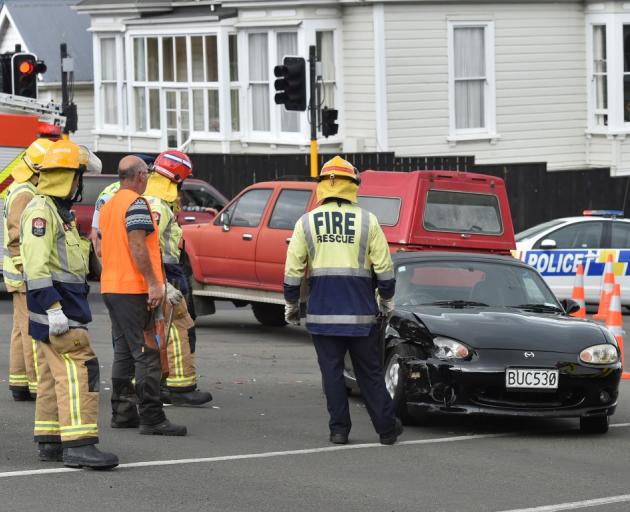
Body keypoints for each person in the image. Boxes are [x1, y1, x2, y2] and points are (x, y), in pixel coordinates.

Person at [283, 155, 402, 445]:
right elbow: (384, 269)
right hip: (361, 315)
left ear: (323, 186)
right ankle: (386, 430)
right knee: (370, 373)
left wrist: (291, 305)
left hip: (323, 316)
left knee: (332, 375)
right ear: (353, 186)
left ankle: (339, 430)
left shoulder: (307, 222)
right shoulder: (368, 221)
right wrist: (386, 300)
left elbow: (293, 269)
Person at [20, 139, 118, 469]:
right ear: (66, 178)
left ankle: (50, 440)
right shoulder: (41, 212)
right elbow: (35, 266)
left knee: (52, 377)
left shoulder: (58, 211)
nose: (80, 183)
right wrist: (52, 308)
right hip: (59, 310)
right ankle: (79, 444)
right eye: (78, 177)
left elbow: (70, 261)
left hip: (64, 307)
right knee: (80, 370)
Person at [99, 155, 187, 436]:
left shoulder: (110, 205)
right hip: (134, 289)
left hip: (113, 288)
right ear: (139, 175)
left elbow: (100, 248)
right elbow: (138, 245)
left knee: (124, 352)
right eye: (146, 174)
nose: (148, 178)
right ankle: (152, 416)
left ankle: (123, 413)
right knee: (147, 352)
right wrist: (153, 283)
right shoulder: (137, 204)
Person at [144, 150, 212, 406]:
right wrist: (162, 283)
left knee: (162, 330)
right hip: (164, 275)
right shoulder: (158, 206)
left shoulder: (152, 200)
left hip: (162, 275)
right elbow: (150, 247)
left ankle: (166, 384)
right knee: (176, 328)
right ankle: (180, 387)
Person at [3, 138, 53, 401]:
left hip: (16, 273)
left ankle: (20, 382)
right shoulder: (25, 193)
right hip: (23, 274)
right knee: (32, 329)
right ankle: (37, 385)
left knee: (20, 329)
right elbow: (16, 238)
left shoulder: (20, 187)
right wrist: (29, 270)